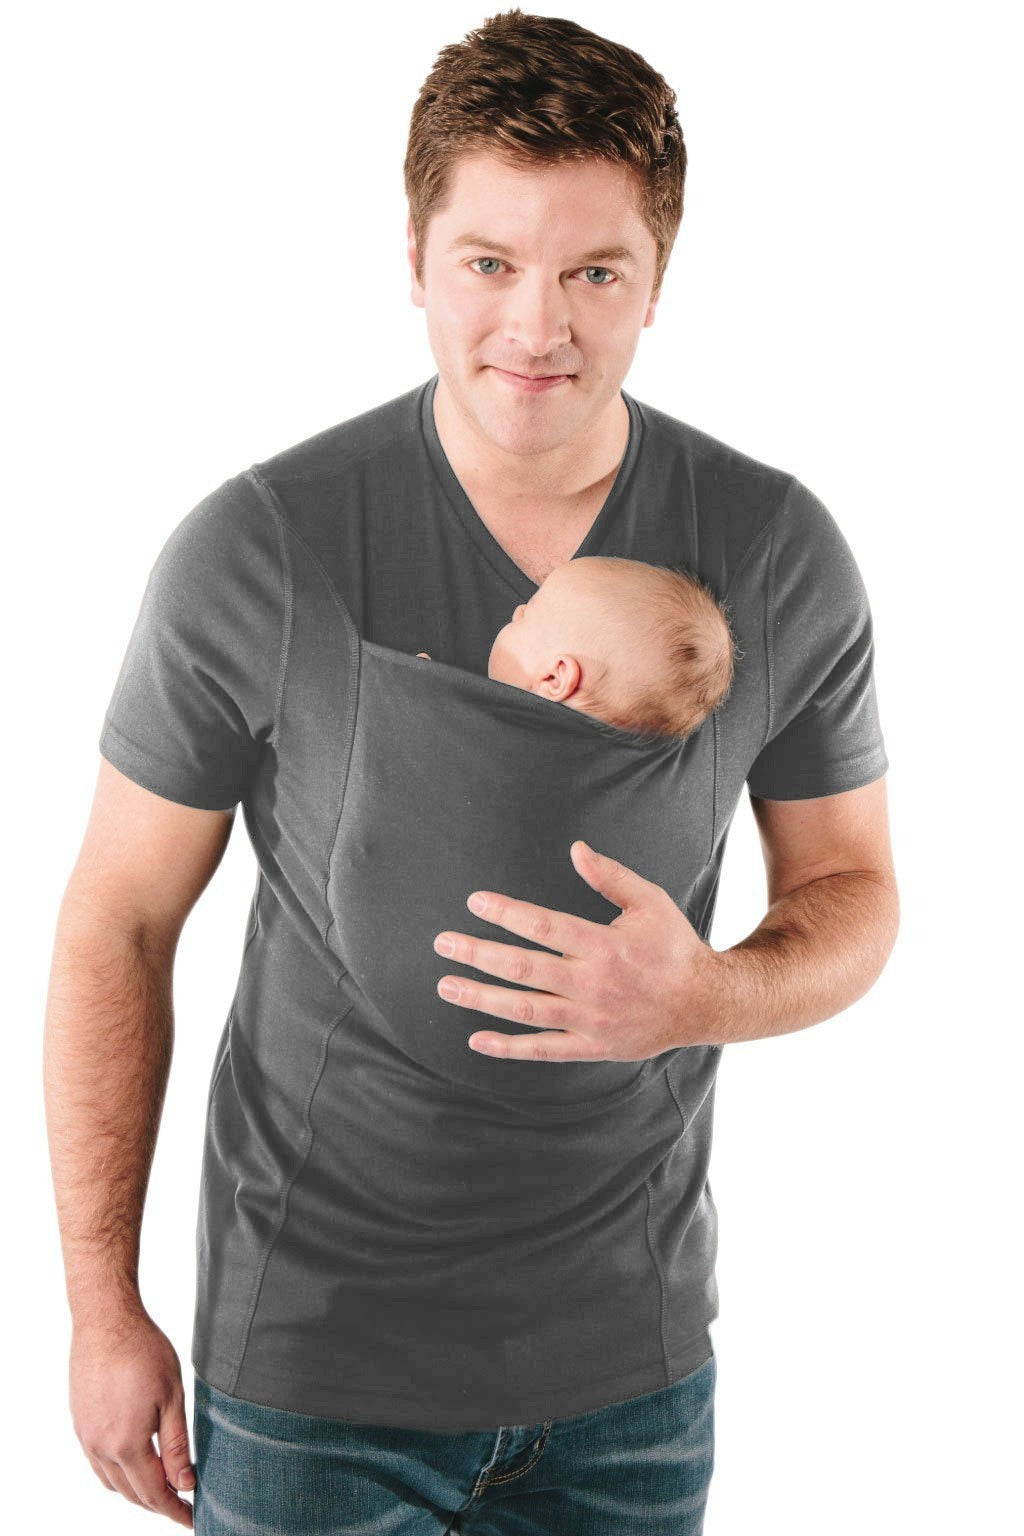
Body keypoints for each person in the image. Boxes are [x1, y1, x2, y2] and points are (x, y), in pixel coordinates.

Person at [42, 9, 899, 1534]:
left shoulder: (775, 553)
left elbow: (854, 895)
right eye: (490, 264)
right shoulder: (263, 546)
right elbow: (117, 920)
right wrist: (102, 1310)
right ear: (418, 262)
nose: (537, 326)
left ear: (656, 284)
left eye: (594, 273)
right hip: (313, 1372)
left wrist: (708, 995)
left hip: (628, 1379)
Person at [417, 553, 738, 744]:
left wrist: (419, 695)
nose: (516, 611)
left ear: (556, 678)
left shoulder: (501, 742)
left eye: (530, 610)